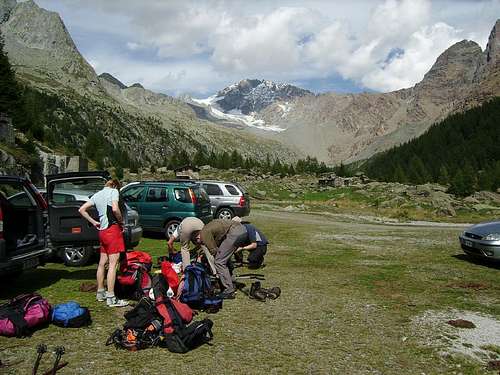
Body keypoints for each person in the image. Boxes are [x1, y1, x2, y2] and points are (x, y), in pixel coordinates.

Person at [78, 179, 128, 307]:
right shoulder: (113, 192)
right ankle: (111, 297)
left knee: (101, 263)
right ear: (115, 186)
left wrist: (93, 222)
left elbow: (82, 209)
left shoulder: (97, 194)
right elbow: (115, 209)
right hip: (112, 230)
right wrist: (121, 222)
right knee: (113, 264)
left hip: (102, 232)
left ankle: (100, 292)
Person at [192, 218, 247, 299]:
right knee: (224, 258)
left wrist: (216, 271)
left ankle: (229, 290)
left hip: (234, 233)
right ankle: (232, 281)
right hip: (242, 230)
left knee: (219, 262)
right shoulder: (208, 228)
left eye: (200, 243)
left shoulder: (204, 234)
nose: (203, 244)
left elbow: (214, 251)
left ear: (197, 238)